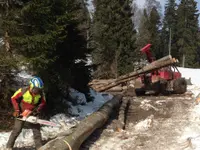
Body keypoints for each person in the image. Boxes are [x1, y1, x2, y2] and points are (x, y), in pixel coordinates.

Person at [6, 76, 46, 150]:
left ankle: (39, 147)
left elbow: (42, 103)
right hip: (21, 112)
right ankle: (8, 147)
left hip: (33, 112)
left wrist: (37, 110)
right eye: (35, 89)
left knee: (36, 130)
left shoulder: (41, 94)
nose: (36, 91)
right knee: (17, 130)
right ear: (31, 86)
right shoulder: (23, 91)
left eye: (38, 90)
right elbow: (13, 98)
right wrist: (17, 110)